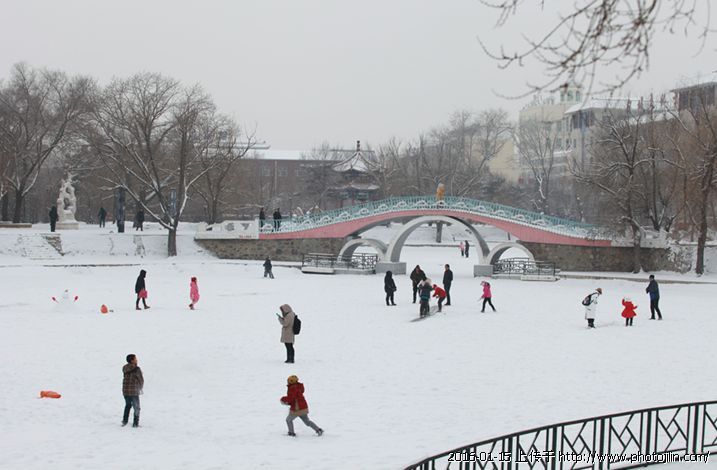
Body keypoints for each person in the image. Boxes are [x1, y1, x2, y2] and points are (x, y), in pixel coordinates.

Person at [122, 354, 144, 428]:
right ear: (132, 360)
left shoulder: (124, 368)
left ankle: (124, 421)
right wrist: (140, 387)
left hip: (125, 390)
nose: (137, 360)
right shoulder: (137, 369)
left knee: (128, 405)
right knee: (136, 407)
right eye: (135, 358)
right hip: (134, 391)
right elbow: (141, 379)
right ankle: (135, 424)